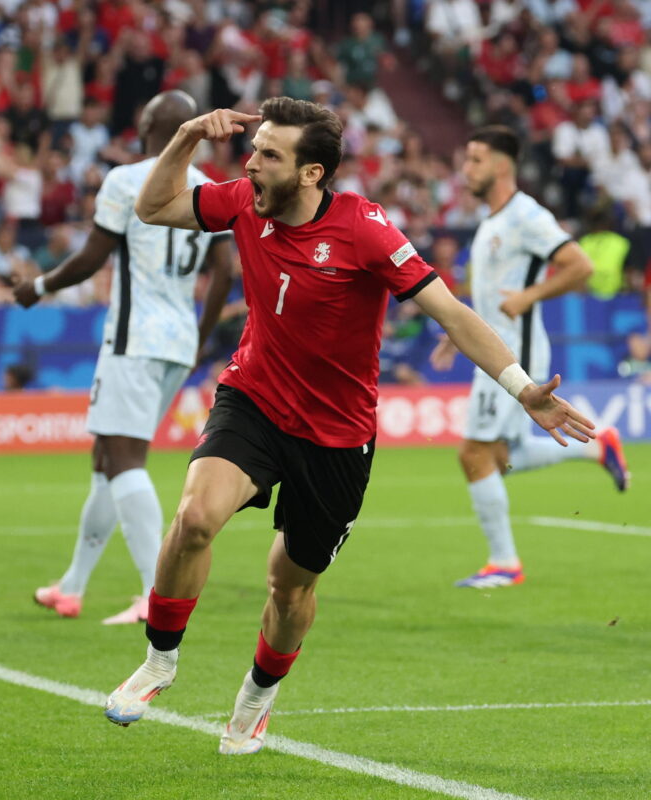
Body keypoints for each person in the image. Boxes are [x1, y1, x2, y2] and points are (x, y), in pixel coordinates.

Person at [102, 99, 595, 754]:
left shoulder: (365, 228)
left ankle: (258, 694)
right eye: (254, 150)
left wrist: (524, 388)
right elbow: (153, 208)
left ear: (311, 174)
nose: (252, 163)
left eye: (269, 155)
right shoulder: (245, 201)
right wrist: (188, 137)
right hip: (252, 399)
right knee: (193, 519)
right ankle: (160, 661)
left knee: (290, 585)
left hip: (335, 436)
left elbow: (450, 312)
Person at [13, 90, 233, 625]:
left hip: (133, 340)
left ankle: (152, 593)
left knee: (125, 460)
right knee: (106, 461)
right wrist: (200, 338)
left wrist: (38, 285)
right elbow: (225, 273)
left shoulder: (128, 179)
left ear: (147, 124)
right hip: (177, 342)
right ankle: (73, 585)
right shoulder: (211, 188)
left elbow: (92, 257)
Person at [430, 125, 630, 590]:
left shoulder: (526, 215)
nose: (467, 168)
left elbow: (581, 264)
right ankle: (600, 446)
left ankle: (504, 562)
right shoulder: (492, 222)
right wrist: (456, 334)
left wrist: (529, 297)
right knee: (501, 457)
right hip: (493, 349)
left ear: (502, 165)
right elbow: (489, 293)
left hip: (511, 356)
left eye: (476, 159)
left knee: (474, 455)